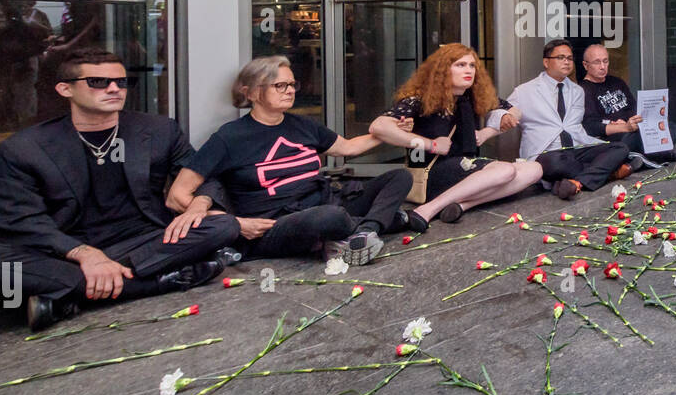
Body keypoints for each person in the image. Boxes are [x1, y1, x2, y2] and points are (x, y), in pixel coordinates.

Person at [0, 48, 240, 332]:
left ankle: (66, 294)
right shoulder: (26, 148)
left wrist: (200, 203)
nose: (114, 89)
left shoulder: (159, 130)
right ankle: (162, 281)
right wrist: (86, 255)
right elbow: (17, 219)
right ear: (65, 89)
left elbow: (202, 175)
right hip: (64, 250)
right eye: (99, 82)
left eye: (122, 82)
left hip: (144, 240)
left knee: (222, 224)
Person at [168, 56, 412, 267]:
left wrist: (391, 132)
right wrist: (233, 222)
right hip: (275, 224)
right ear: (252, 92)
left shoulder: (302, 124)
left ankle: (366, 231)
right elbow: (177, 195)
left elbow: (348, 147)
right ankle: (382, 222)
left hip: (326, 202)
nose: (290, 90)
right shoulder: (228, 138)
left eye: (292, 84)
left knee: (400, 177)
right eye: (280, 85)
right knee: (330, 217)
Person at [368, 43, 542, 225]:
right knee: (505, 171)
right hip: (429, 173)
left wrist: (487, 133)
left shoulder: (471, 96)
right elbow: (378, 127)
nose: (469, 70)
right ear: (443, 70)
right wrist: (431, 144)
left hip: (465, 170)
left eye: (472, 65)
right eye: (460, 65)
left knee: (535, 169)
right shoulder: (419, 99)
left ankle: (461, 205)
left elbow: (516, 111)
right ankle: (426, 210)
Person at [505, 39, 631, 200]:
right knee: (557, 162)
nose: (566, 62)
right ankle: (609, 174)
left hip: (576, 148)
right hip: (547, 152)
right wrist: (504, 116)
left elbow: (574, 126)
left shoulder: (577, 91)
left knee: (620, 148)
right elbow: (500, 111)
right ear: (546, 62)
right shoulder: (525, 91)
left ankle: (575, 182)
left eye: (570, 58)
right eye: (561, 58)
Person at [579, 43, 676, 166]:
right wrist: (618, 125)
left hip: (634, 128)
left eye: (605, 61)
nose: (603, 66)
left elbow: (633, 108)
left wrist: (639, 119)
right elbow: (590, 126)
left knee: (672, 127)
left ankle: (639, 158)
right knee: (630, 140)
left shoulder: (617, 82)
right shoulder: (583, 90)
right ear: (586, 65)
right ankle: (671, 153)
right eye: (597, 62)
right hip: (614, 136)